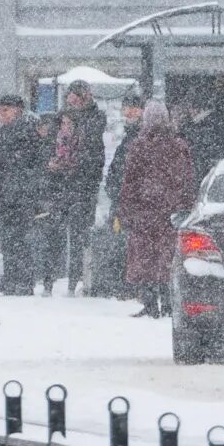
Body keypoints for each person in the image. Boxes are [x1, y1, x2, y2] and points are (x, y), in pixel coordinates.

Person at [118, 108, 199, 318]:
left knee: (145, 258)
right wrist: (184, 205)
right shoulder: (179, 146)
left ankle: (150, 302)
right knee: (168, 258)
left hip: (145, 211)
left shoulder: (139, 146)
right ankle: (170, 303)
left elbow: (130, 181)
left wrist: (127, 209)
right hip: (170, 213)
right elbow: (187, 180)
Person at [0, 94, 43, 296]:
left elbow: (23, 166)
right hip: (7, 196)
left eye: (5, 110)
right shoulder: (7, 132)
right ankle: (12, 280)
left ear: (17, 110)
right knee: (9, 240)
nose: (1, 115)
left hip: (18, 197)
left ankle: (20, 282)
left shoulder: (25, 132)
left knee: (18, 241)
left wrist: (16, 188)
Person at [46, 81, 109, 294]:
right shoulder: (59, 121)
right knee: (54, 233)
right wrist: (53, 165)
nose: (72, 103)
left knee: (78, 234)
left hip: (81, 186)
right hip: (61, 185)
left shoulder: (94, 119)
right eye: (69, 99)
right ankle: (49, 280)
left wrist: (74, 166)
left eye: (76, 98)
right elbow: (49, 146)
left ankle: (75, 281)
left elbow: (92, 153)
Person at [96, 95, 146, 297]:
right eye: (126, 108)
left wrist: (122, 191)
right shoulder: (129, 137)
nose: (129, 112)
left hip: (132, 204)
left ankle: (129, 286)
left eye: (134, 108)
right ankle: (125, 285)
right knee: (121, 245)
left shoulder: (140, 137)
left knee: (127, 246)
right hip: (123, 203)